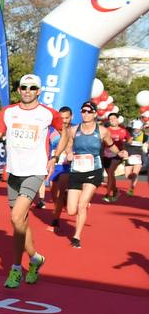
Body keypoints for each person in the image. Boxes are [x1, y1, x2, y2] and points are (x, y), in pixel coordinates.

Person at [0, 73, 60, 288]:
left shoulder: (48, 114)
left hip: (35, 171)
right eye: (24, 87)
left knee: (16, 216)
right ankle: (35, 259)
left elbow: (63, 132)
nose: (27, 91)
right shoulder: (8, 112)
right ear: (19, 90)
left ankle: (15, 269)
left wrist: (55, 156)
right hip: (14, 171)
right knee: (21, 221)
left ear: (38, 91)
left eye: (32, 88)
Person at [56, 101, 113, 248]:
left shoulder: (102, 131)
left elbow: (111, 145)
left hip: (94, 170)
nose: (85, 114)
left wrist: (120, 153)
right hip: (76, 171)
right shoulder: (74, 130)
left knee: (82, 206)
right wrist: (69, 153)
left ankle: (76, 237)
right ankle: (74, 200)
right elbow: (69, 145)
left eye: (89, 111)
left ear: (94, 114)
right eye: (83, 111)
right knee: (70, 211)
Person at [46, 107, 73, 233]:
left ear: (71, 117)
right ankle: (60, 206)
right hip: (54, 164)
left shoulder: (73, 130)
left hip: (66, 165)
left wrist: (70, 153)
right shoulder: (52, 130)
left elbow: (72, 146)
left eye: (67, 118)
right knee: (53, 191)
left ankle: (55, 219)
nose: (64, 120)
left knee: (61, 191)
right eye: (62, 118)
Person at [102, 111, 128, 202]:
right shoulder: (105, 130)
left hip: (117, 155)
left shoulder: (123, 130)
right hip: (105, 155)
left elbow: (129, 140)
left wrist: (125, 150)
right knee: (110, 174)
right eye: (110, 119)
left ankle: (107, 193)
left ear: (118, 120)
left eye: (114, 118)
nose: (112, 120)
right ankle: (116, 190)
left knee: (110, 173)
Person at [125, 120, 144, 195]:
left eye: (138, 128)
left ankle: (131, 189)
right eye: (135, 128)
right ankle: (133, 179)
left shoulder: (144, 136)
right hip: (129, 156)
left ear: (141, 128)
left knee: (135, 173)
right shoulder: (128, 134)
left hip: (138, 156)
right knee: (128, 175)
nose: (136, 130)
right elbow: (124, 143)